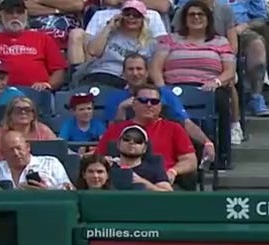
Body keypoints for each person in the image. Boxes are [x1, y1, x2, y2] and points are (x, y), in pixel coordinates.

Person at [150, 0, 236, 147]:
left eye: (200, 14)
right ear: (184, 19)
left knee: (222, 99)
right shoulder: (170, 40)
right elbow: (155, 68)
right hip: (174, 88)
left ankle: (222, 153)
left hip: (208, 87)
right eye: (191, 14)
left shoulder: (220, 42)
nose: (196, 17)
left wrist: (215, 82)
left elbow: (230, 70)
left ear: (208, 19)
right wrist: (162, 88)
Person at [101, 53, 217, 160]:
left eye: (139, 69)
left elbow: (186, 123)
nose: (135, 73)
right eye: (130, 69)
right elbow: (113, 133)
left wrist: (207, 142)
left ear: (147, 72)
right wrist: (122, 109)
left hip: (163, 149)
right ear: (124, 73)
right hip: (128, 152)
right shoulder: (115, 98)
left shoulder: (164, 94)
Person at [97, 84, 199, 188]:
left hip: (161, 182)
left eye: (154, 102)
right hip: (121, 182)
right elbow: (97, 158)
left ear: (160, 106)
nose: (149, 104)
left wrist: (173, 171)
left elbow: (190, 161)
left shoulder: (174, 128)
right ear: (134, 104)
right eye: (143, 100)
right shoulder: (116, 129)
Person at [0, 0, 68, 91]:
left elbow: (59, 70)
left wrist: (48, 85)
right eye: (10, 13)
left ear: (26, 14)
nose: (15, 16)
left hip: (37, 92)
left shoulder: (43, 39)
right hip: (0, 93)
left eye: (19, 12)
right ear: (1, 15)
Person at [80, 0, 164, 89]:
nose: (131, 17)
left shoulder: (150, 42)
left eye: (136, 15)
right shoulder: (109, 34)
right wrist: (109, 27)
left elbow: (149, 71)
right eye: (127, 14)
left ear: (143, 19)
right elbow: (93, 51)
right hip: (102, 74)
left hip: (130, 81)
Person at [0, 95, 58, 161]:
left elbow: (58, 155)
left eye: (27, 110)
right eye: (18, 110)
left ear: (33, 115)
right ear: (10, 114)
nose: (23, 112)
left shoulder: (44, 131)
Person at [0, 129, 72, 188]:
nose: (16, 153)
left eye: (19, 148)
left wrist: (47, 192)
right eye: (10, 150)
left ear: (28, 147)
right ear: (3, 153)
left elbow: (70, 192)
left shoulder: (51, 163)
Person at [107, 123, 174, 189]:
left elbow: (168, 193)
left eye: (138, 140)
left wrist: (145, 183)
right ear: (118, 144)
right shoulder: (107, 167)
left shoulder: (154, 169)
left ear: (144, 148)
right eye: (127, 139)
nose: (131, 142)